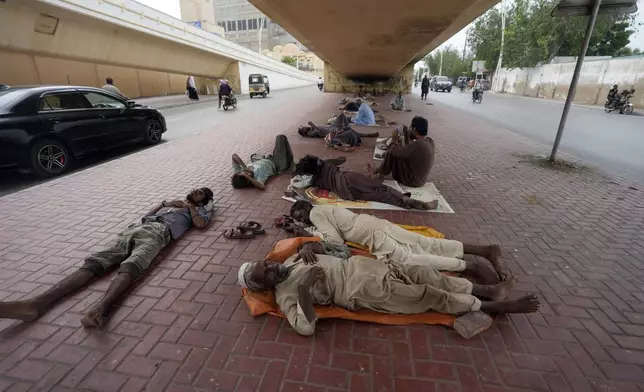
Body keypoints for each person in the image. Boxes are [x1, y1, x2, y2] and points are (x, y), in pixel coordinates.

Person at [0, 188, 214, 327]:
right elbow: (146, 216)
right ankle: (35, 303)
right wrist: (164, 202)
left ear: (204, 200)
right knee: (93, 263)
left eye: (201, 193)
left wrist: (191, 207)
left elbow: (201, 226)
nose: (197, 191)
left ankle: (100, 310)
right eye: (196, 190)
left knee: (132, 266)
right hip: (135, 230)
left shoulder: (199, 210)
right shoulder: (174, 203)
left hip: (159, 234)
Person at [237, 242, 539, 336]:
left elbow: (341, 251)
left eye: (266, 264)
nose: (272, 267)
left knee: (426, 273)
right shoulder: (286, 294)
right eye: (266, 274)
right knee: (426, 296)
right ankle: (490, 306)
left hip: (369, 265)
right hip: (361, 288)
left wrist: (316, 246)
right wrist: (303, 287)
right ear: (263, 286)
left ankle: (486, 289)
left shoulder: (292, 257)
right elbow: (305, 327)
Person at [289, 202, 510, 281]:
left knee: (407, 260)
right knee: (424, 242)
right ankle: (484, 250)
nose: (301, 220)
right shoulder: (322, 209)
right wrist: (307, 228)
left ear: (305, 210)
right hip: (374, 224)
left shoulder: (316, 214)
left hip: (370, 234)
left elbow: (335, 240)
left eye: (300, 216)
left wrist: (308, 233)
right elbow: (331, 227)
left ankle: (468, 265)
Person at [294, 155, 438, 210]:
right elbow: (342, 159)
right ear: (317, 162)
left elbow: (297, 184)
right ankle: (407, 199)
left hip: (345, 193)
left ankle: (406, 203)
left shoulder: (315, 181)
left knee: (380, 196)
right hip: (348, 178)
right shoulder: (325, 164)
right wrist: (324, 161)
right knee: (381, 188)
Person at [368, 116, 434, 187]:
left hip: (413, 180)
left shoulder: (418, 145)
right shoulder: (429, 141)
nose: (410, 129)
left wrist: (394, 138)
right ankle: (379, 171)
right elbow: (409, 151)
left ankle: (379, 173)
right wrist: (406, 136)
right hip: (421, 179)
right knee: (397, 149)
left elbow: (393, 150)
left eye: (411, 127)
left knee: (392, 153)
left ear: (414, 129)